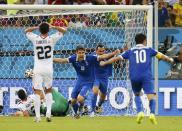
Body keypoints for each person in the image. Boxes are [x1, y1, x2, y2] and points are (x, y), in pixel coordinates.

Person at [100, 33, 174, 124]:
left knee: (137, 94)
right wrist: (170, 60)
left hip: (134, 76)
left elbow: (116, 59)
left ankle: (140, 112)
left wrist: (105, 63)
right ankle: (152, 114)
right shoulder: (149, 50)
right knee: (151, 96)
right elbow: (162, 56)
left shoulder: (130, 51)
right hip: (146, 76)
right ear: (144, 41)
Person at [53, 45, 119, 118]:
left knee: (80, 98)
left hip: (89, 82)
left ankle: (84, 107)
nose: (81, 54)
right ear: (76, 53)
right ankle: (77, 112)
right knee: (73, 101)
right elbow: (62, 60)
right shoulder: (73, 58)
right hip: (79, 81)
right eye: (79, 52)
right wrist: (51, 59)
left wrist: (113, 53)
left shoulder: (90, 58)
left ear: (85, 52)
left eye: (83, 52)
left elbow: (103, 57)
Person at [25, 22, 66, 122]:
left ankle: (38, 117)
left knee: (37, 92)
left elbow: (26, 31)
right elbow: (64, 31)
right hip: (48, 69)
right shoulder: (52, 38)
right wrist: (54, 26)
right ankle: (48, 113)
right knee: (48, 90)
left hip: (38, 69)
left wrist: (36, 26)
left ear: (39, 30)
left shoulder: (35, 38)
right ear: (49, 30)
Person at [90, 44, 113, 117]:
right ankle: (92, 111)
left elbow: (110, 65)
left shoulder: (108, 56)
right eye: (100, 51)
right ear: (96, 51)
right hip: (95, 77)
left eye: (103, 51)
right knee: (95, 91)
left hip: (104, 78)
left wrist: (108, 74)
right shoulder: (92, 56)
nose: (102, 52)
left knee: (103, 96)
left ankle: (98, 106)